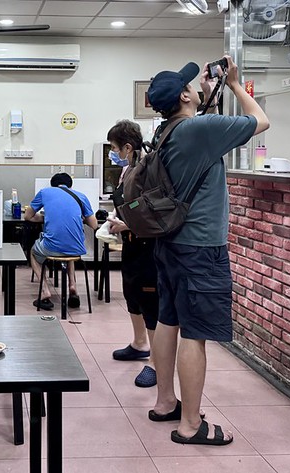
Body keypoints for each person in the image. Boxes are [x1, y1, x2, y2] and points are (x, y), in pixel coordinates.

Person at [144, 56, 269, 446]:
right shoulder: (200, 129)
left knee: (168, 320)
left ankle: (166, 402)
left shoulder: (167, 130)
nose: (198, 84)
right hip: (200, 247)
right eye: (190, 83)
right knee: (194, 334)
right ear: (184, 95)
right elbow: (260, 121)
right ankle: (191, 424)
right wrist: (234, 85)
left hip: (170, 242)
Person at [105, 119, 159, 388]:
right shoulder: (127, 171)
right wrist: (117, 218)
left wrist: (127, 223)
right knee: (132, 295)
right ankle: (139, 344)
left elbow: (152, 210)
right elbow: (129, 204)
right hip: (130, 243)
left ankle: (156, 363)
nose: (112, 153)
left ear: (127, 146)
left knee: (150, 304)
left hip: (147, 245)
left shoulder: (147, 170)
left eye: (114, 148)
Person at [24, 173, 98, 310]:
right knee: (68, 250)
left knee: (33, 253)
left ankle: (45, 291)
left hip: (51, 247)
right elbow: (94, 225)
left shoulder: (45, 192)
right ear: (70, 185)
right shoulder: (80, 196)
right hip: (77, 249)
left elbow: (28, 216)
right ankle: (72, 285)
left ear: (53, 184)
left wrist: (46, 218)